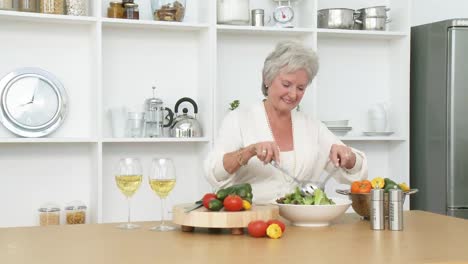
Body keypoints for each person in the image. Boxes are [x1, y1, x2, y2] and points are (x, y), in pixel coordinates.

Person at [204, 40, 368, 203]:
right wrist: (250, 151)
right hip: (250, 221)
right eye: (286, 84)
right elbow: (214, 173)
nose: (293, 94)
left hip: (300, 222)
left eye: (301, 88)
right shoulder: (238, 119)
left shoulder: (312, 126)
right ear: (267, 79)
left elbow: (357, 172)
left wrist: (349, 156)